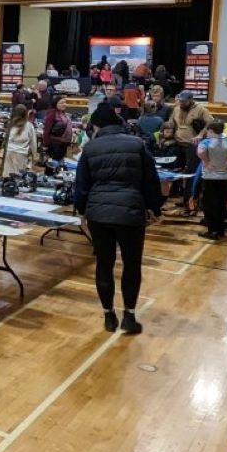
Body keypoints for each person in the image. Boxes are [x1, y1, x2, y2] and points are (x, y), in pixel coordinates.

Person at [74, 103, 164, 334]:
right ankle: (129, 317)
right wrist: (155, 207)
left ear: (96, 125)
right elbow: (150, 180)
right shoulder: (138, 145)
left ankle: (108, 316)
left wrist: (82, 210)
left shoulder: (90, 148)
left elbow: (82, 185)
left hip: (98, 213)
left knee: (104, 264)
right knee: (131, 265)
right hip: (131, 212)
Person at [196, 121, 227, 240]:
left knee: (209, 205)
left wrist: (206, 161)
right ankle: (220, 230)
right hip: (224, 178)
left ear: (211, 131)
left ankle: (212, 231)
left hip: (209, 177)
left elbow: (200, 152)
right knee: (221, 205)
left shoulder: (206, 141)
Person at [2, 105, 38, 175]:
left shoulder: (10, 124)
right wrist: (35, 155)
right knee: (18, 175)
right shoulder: (29, 126)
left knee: (7, 174)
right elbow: (33, 143)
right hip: (21, 153)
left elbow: (6, 138)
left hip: (8, 151)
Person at [40, 95, 74, 163]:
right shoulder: (52, 114)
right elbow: (47, 130)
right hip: (55, 144)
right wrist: (46, 145)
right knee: (54, 163)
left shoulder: (62, 113)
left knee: (59, 163)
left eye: (65, 102)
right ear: (55, 104)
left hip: (63, 144)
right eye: (61, 103)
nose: (64, 104)